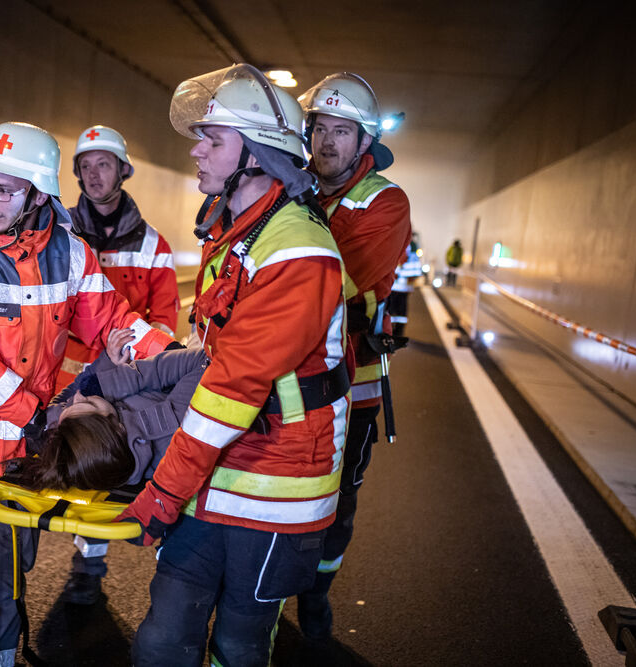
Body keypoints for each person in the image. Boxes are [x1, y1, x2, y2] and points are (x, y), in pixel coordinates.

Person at [0, 121, 174, 667]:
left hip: (29, 437)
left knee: (17, 558)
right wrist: (35, 416)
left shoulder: (71, 253)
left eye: (5, 190)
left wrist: (166, 354)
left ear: (38, 194)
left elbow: (111, 320)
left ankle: (7, 632)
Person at [118, 64, 351, 666]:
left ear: (255, 154)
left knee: (240, 645)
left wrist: (165, 488)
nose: (195, 149)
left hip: (277, 486)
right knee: (163, 638)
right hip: (217, 468)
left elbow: (231, 386)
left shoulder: (296, 246)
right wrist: (155, 359)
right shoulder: (236, 232)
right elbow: (218, 352)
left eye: (211, 139)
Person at [296, 72, 412, 643]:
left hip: (353, 381)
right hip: (284, 376)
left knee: (337, 504)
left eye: (342, 131)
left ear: (364, 142)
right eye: (319, 128)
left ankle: (315, 598)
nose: (327, 142)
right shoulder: (289, 185)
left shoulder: (384, 202)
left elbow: (336, 284)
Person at [56, 125, 181, 604]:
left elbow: (165, 318)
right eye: (85, 166)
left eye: (103, 164)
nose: (93, 174)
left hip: (130, 381)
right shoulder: (59, 231)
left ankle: (168, 567)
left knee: (130, 466)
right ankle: (87, 562)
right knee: (83, 469)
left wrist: (143, 368)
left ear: (123, 171)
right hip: (74, 379)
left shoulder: (154, 245)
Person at [12, 330, 206, 493]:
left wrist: (106, 363)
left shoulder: (73, 440)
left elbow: (64, 401)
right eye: (90, 403)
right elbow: (203, 361)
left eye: (69, 408)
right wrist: (107, 385)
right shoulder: (167, 429)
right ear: (116, 426)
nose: (79, 396)